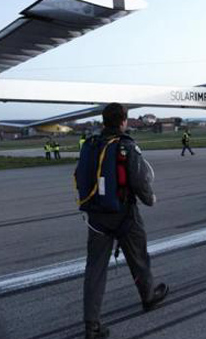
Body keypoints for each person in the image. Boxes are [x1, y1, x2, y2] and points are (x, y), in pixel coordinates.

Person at [76, 103, 168, 339]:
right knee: (138, 257)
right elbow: (138, 181)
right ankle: (148, 297)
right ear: (123, 121)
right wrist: (150, 199)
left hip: (96, 217)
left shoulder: (91, 144)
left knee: (95, 269)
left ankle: (92, 326)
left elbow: (79, 174)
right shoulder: (126, 145)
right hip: (124, 213)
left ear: (104, 121)